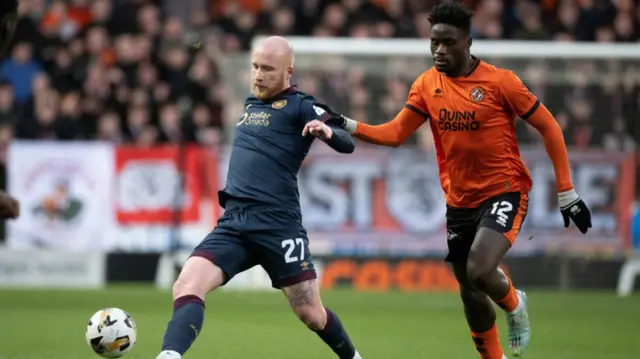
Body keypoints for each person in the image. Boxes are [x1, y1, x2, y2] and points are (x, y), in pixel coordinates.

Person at [307, 2, 592, 359]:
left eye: (448, 42)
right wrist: (345, 123)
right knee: (469, 289)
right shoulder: (427, 84)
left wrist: (566, 191)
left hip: (505, 189)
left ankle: (515, 303)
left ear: (468, 42)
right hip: (459, 200)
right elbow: (395, 133)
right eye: (434, 42)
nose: (439, 50)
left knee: (480, 268)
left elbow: (549, 126)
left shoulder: (500, 82)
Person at [156, 36, 362, 359]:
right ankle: (169, 356)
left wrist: (327, 132)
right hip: (234, 222)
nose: (258, 75)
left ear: (288, 72)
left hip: (278, 225)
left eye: (267, 69)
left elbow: (348, 142)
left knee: (311, 313)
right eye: (255, 67)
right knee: (186, 284)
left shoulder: (301, 105)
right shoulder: (251, 103)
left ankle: (353, 357)